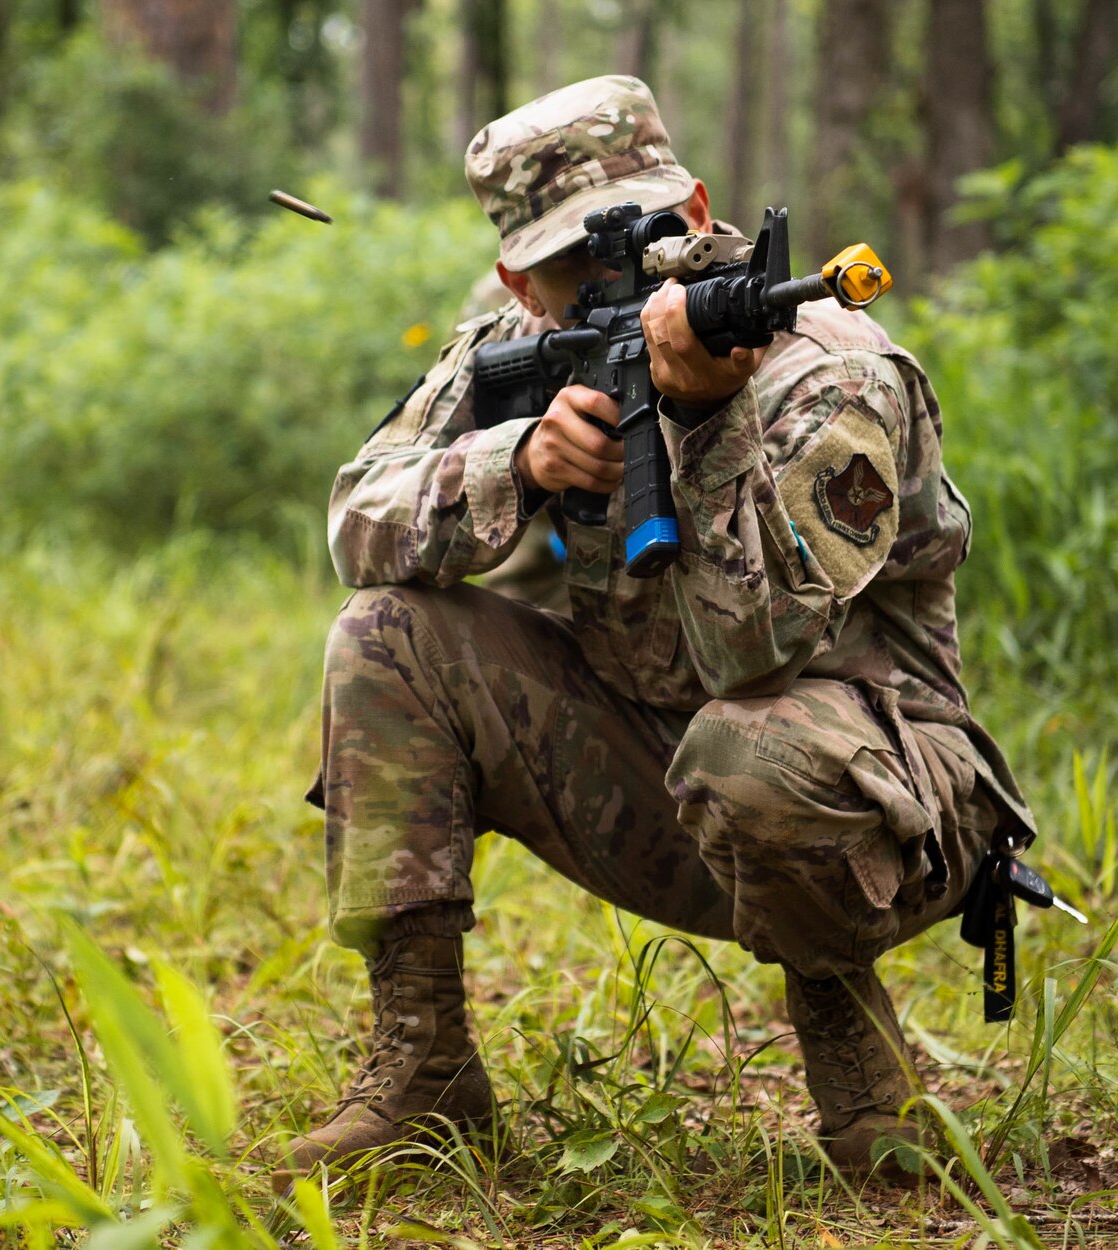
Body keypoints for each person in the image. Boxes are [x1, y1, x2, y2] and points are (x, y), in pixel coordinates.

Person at [277, 75, 1036, 1190]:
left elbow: (750, 651)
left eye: (639, 242)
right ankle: (424, 1065)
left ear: (696, 208)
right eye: (567, 270)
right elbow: (357, 521)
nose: (612, 284)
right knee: (382, 631)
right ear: (515, 281)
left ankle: (848, 1033)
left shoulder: (827, 366)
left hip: (886, 809)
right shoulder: (520, 344)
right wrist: (516, 461)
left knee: (750, 742)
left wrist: (694, 418)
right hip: (656, 776)